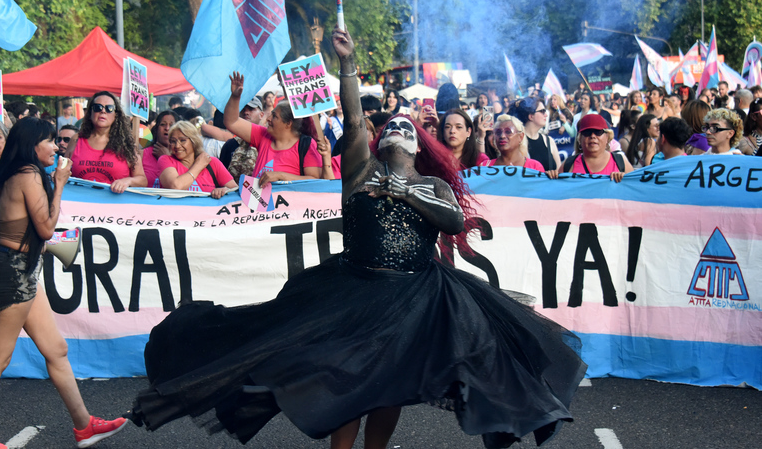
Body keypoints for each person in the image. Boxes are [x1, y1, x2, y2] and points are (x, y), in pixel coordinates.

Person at [131, 27, 586, 449]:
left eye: (407, 128)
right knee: (346, 384)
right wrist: (347, 65)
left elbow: (451, 222)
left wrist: (406, 191)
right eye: (392, 127)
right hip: (354, 289)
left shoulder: (433, 185)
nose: (399, 130)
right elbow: (352, 120)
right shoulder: (361, 172)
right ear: (381, 141)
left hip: (415, 296)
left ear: (418, 146)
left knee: (392, 386)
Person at [0, 118, 127, 449]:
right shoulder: (30, 175)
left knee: (56, 350)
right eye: (49, 141)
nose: (56, 146)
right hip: (13, 277)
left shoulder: (10, 173)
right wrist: (59, 184)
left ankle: (84, 426)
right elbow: (46, 229)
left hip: (18, 272)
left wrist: (15, 241)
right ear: (33, 145)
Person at [224, 78, 322, 187]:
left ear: (288, 123)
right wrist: (235, 97)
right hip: (256, 198)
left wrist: (281, 176)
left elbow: (315, 180)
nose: (268, 119)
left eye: (274, 116)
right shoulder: (263, 135)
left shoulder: (306, 144)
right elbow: (231, 122)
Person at [65, 91, 147, 193]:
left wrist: (128, 181)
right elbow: (63, 170)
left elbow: (142, 180)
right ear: (90, 113)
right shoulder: (76, 140)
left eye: (109, 108)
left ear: (116, 115)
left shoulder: (126, 144)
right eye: (98, 107)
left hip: (114, 202)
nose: (103, 111)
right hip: (79, 201)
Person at [158, 121, 237, 198]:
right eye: (173, 141)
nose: (177, 146)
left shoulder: (212, 162)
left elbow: (235, 191)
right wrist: (198, 165)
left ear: (194, 141)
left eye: (182, 140)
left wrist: (224, 190)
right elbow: (175, 187)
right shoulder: (166, 160)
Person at [553, 114, 633, 182]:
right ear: (580, 139)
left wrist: (624, 179)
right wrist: (551, 177)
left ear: (607, 137)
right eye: (587, 132)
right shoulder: (568, 165)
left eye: (598, 132)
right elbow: (558, 191)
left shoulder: (621, 163)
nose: (592, 136)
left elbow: (635, 187)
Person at [510, 97, 559, 171]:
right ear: (531, 116)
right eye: (542, 111)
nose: (546, 115)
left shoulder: (549, 141)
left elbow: (559, 171)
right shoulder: (517, 142)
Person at [142, 110, 180, 188]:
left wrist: (166, 158)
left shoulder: (182, 155)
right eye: (163, 124)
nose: (167, 128)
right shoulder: (142, 154)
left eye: (171, 125)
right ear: (156, 129)